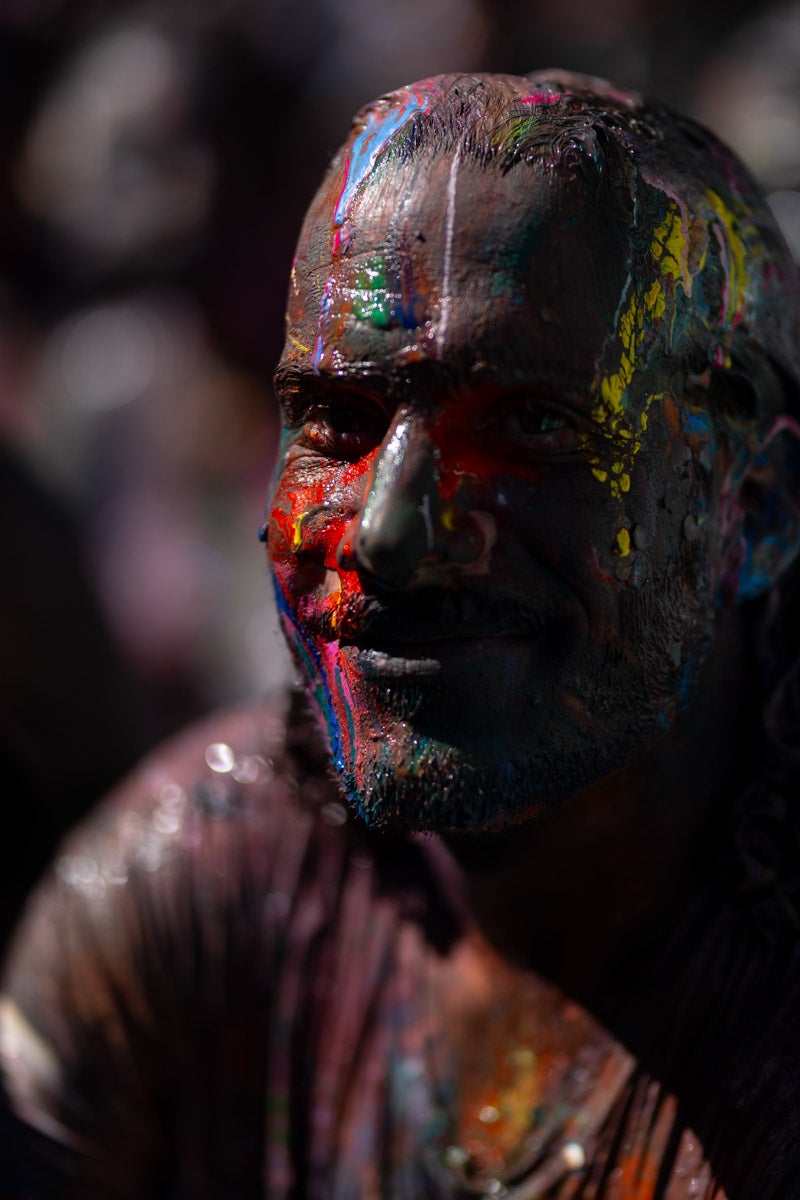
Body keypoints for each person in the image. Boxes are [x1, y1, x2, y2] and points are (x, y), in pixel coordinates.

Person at [2, 69, 800, 1199]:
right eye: (338, 420)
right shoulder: (207, 879)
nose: (389, 532)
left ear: (754, 508)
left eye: (531, 428)